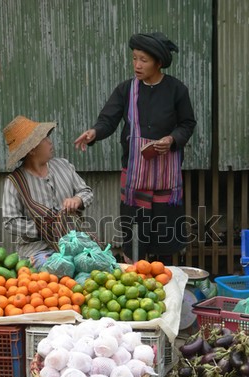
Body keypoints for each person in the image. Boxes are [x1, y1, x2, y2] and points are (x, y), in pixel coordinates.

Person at [75, 32, 196, 265]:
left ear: (158, 63)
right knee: (135, 233)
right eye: (134, 58)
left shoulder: (176, 89)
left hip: (166, 177)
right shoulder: (126, 90)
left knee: (165, 234)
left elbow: (187, 124)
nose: (137, 65)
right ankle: (135, 275)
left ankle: (165, 275)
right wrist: (94, 133)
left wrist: (171, 139)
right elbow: (108, 120)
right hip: (135, 175)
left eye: (144, 60)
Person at [2, 115, 94, 269]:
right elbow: (10, 222)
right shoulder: (14, 182)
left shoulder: (64, 166)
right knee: (59, 270)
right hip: (38, 250)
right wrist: (42, 229)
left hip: (74, 243)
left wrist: (77, 200)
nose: (50, 142)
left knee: (98, 266)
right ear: (31, 149)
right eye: (44, 139)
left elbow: (86, 192)